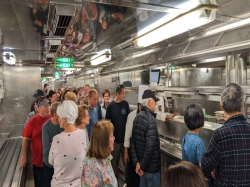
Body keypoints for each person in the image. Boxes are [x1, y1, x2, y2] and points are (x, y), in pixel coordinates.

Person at [201, 83, 250, 186]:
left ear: (221, 105)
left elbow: (205, 168)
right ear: (242, 105)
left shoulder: (220, 134)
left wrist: (215, 171)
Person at [124, 102, 177, 187]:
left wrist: (139, 165)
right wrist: (139, 164)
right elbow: (130, 138)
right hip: (146, 167)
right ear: (139, 105)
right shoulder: (133, 116)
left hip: (141, 165)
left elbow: (158, 115)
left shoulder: (146, 116)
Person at [49, 100, 87, 187]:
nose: (58, 119)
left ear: (64, 119)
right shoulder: (83, 133)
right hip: (78, 184)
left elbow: (50, 161)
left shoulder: (57, 139)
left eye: (59, 117)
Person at [19, 96, 51, 187]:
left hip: (53, 162)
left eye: (49, 105)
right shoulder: (33, 121)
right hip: (39, 162)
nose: (48, 108)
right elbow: (25, 139)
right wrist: (24, 156)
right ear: (39, 108)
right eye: (45, 106)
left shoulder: (54, 119)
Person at [130, 90, 160, 187]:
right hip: (150, 169)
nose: (155, 104)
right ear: (149, 102)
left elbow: (132, 142)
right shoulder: (150, 120)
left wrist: (137, 164)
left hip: (141, 168)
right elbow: (150, 148)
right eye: (154, 102)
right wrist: (142, 167)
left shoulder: (137, 118)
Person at [81, 121, 117, 187]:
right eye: (111, 136)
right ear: (104, 141)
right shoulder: (92, 167)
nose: (114, 138)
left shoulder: (106, 158)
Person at [106, 85, 129, 178]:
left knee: (126, 163)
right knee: (114, 165)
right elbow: (108, 124)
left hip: (124, 141)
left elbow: (127, 121)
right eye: (123, 93)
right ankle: (116, 183)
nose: (124, 95)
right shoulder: (111, 106)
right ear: (117, 93)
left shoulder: (125, 104)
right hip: (114, 142)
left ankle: (127, 182)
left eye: (124, 93)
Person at [42, 102, 63, 187]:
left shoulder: (63, 125)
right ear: (54, 115)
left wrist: (53, 144)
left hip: (61, 164)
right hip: (49, 164)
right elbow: (46, 147)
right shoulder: (46, 127)